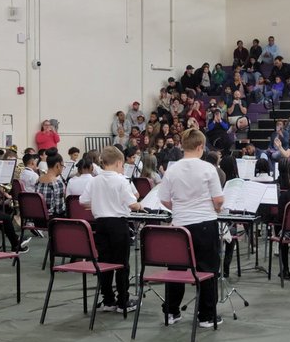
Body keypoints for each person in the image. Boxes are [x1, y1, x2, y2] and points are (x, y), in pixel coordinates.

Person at [151, 129, 224, 329]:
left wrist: (181, 209)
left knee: (176, 269)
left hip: (180, 225)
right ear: (200, 146)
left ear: (182, 145)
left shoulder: (172, 169)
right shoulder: (208, 169)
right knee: (207, 270)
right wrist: (215, 208)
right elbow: (218, 200)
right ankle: (206, 316)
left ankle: (172, 312)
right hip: (205, 223)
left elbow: (164, 199)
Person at [78, 145, 141, 312]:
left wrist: (99, 202)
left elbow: (82, 201)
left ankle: (108, 299)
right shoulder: (121, 180)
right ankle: (123, 301)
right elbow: (132, 204)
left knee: (105, 263)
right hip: (118, 225)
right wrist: (140, 205)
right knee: (122, 264)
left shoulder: (95, 180)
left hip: (101, 225)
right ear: (119, 163)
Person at [35, 153, 67, 219]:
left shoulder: (38, 180)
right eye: (62, 166)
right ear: (58, 165)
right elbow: (59, 210)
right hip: (52, 221)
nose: (62, 169)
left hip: (38, 218)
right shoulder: (58, 183)